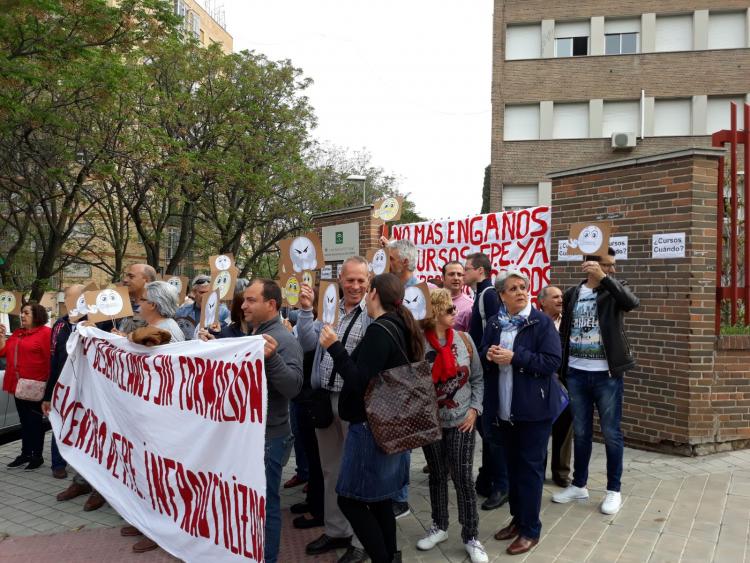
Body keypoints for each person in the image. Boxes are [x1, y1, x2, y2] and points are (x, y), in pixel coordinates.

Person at [319, 272, 423, 563]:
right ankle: (390, 555)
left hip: (371, 428)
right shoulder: (399, 324)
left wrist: (334, 347)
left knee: (349, 500)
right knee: (379, 501)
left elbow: (359, 381)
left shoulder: (380, 329)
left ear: (373, 293)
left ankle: (381, 558)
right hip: (390, 424)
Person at [552, 249, 639, 515]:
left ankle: (614, 490)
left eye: (613, 266)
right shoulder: (572, 294)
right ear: (589, 265)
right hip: (577, 373)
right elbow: (565, 332)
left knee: (611, 433)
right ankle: (579, 485)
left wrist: (605, 279)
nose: (612, 269)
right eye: (607, 265)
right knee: (581, 432)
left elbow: (631, 303)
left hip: (607, 375)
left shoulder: (615, 290)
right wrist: (563, 369)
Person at [296, 256, 371, 563]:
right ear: (340, 279)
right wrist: (304, 310)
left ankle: (361, 540)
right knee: (330, 470)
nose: (355, 286)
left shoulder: (373, 314)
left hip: (354, 403)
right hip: (325, 399)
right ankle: (336, 529)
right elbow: (307, 341)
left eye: (361, 281)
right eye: (350, 280)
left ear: (369, 282)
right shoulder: (331, 309)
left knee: (358, 473)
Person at [481, 271, 561, 556]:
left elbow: (552, 362)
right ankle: (518, 519)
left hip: (533, 411)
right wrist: (488, 355)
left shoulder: (539, 322)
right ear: (501, 295)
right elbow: (482, 356)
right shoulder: (495, 323)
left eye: (523, 287)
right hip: (505, 409)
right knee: (512, 468)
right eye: (512, 288)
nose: (520, 292)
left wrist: (516, 358)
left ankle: (531, 529)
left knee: (529, 471)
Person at [416, 289, 488, 563]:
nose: (454, 314)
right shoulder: (418, 345)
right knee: (436, 475)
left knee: (463, 478)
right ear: (435, 313)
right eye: (448, 310)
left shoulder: (465, 341)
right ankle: (439, 525)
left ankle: (471, 535)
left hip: (461, 422)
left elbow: (478, 379)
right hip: (431, 424)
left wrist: (475, 409)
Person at [43, 285, 107, 511]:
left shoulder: (102, 321)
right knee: (63, 426)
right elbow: (55, 359)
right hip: (66, 388)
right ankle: (77, 479)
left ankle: (99, 487)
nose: (76, 302)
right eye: (72, 298)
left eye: (80, 298)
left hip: (95, 393)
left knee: (94, 436)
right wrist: (49, 393)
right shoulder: (60, 325)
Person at [463, 252, 507, 510]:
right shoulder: (480, 294)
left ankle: (500, 485)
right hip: (482, 367)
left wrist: (478, 356)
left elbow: (495, 330)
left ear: (480, 271)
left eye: (467, 268)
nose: (464, 273)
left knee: (490, 429)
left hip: (487, 371)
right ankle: (487, 478)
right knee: (486, 428)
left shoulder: (488, 294)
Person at [0, 303, 52, 470]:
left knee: (34, 422)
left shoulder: (46, 333)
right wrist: (1, 336)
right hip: (17, 385)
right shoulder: (18, 333)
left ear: (37, 315)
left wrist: (48, 387)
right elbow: (3, 352)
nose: (22, 316)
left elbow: (50, 361)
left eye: (26, 313)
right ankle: (25, 454)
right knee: (24, 422)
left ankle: (36, 456)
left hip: (35, 386)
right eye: (22, 313)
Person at [538, 285, 572, 487]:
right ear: (542, 301)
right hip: (543, 382)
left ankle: (561, 473)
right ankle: (538, 471)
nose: (560, 300)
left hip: (566, 382)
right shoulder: (535, 322)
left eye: (561, 297)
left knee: (565, 428)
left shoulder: (568, 323)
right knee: (541, 428)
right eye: (555, 297)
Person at [175, 274, 230, 339]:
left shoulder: (223, 312)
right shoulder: (182, 312)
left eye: (208, 293)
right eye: (202, 292)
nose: (205, 296)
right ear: (194, 293)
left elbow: (227, 338)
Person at [118, 263, 157, 333]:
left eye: (131, 276)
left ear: (146, 280)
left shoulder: (154, 309)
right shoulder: (121, 304)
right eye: (126, 276)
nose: (125, 280)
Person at [442, 260, 473, 331]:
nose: (456, 278)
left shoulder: (470, 306)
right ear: (443, 277)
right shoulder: (431, 300)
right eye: (451, 274)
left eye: (459, 274)